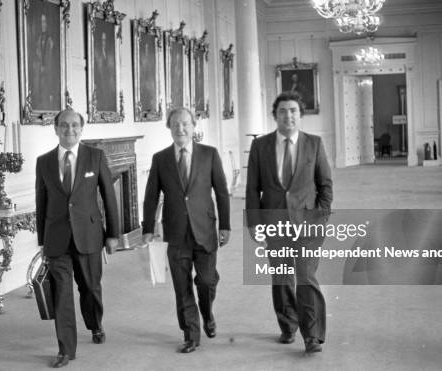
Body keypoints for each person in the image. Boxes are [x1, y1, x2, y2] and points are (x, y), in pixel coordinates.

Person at [245, 92, 333, 355]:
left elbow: (325, 184)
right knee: (282, 277)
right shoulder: (260, 146)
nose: (288, 115)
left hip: (307, 222)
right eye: (283, 111)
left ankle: (313, 335)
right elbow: (252, 188)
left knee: (305, 277)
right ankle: (288, 324)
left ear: (300, 114)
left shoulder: (314, 144)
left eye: (293, 110)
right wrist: (254, 222)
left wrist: (321, 215)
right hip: (275, 223)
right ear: (275, 115)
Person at [35, 108, 120, 368]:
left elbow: (109, 196)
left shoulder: (95, 157)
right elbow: (42, 201)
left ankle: (95, 325)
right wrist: (42, 240)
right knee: (61, 294)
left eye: (74, 125)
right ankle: (65, 350)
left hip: (89, 235)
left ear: (81, 129)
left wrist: (113, 234)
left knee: (90, 288)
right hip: (57, 239)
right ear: (56, 128)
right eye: (64, 125)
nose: (69, 130)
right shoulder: (44, 161)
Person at [142, 107, 231, 354]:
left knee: (206, 281)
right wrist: (148, 228)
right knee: (182, 287)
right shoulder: (160, 159)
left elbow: (222, 192)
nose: (180, 129)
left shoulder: (209, 154)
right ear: (169, 128)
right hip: (176, 232)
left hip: (205, 229)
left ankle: (208, 313)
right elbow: (151, 196)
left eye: (185, 124)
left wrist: (225, 225)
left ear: (194, 127)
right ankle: (191, 334)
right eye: (175, 125)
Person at [32, 13, 56, 109]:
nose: (43, 24)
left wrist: (44, 67)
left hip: (48, 76)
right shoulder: (38, 39)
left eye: (45, 21)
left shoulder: (50, 40)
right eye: (42, 22)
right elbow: (36, 56)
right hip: (38, 76)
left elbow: (51, 62)